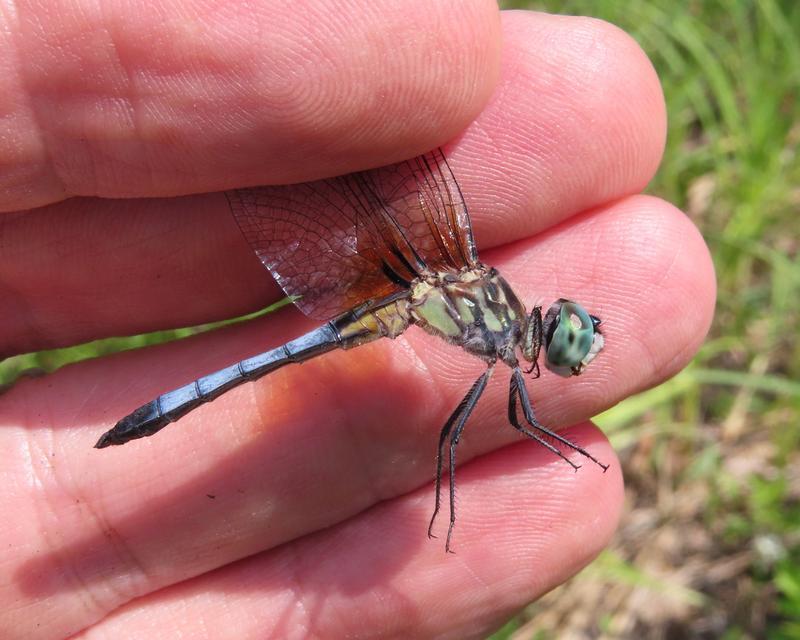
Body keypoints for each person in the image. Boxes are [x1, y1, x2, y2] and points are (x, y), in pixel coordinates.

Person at [0, 2, 715, 638]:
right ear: (540, 334)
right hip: (389, 296)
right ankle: (161, 418)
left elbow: (521, 422)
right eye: (568, 334)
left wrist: (558, 446)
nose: (568, 340)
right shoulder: (489, 314)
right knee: (438, 432)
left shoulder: (494, 315)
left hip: (401, 291)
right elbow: (506, 426)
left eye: (569, 335)